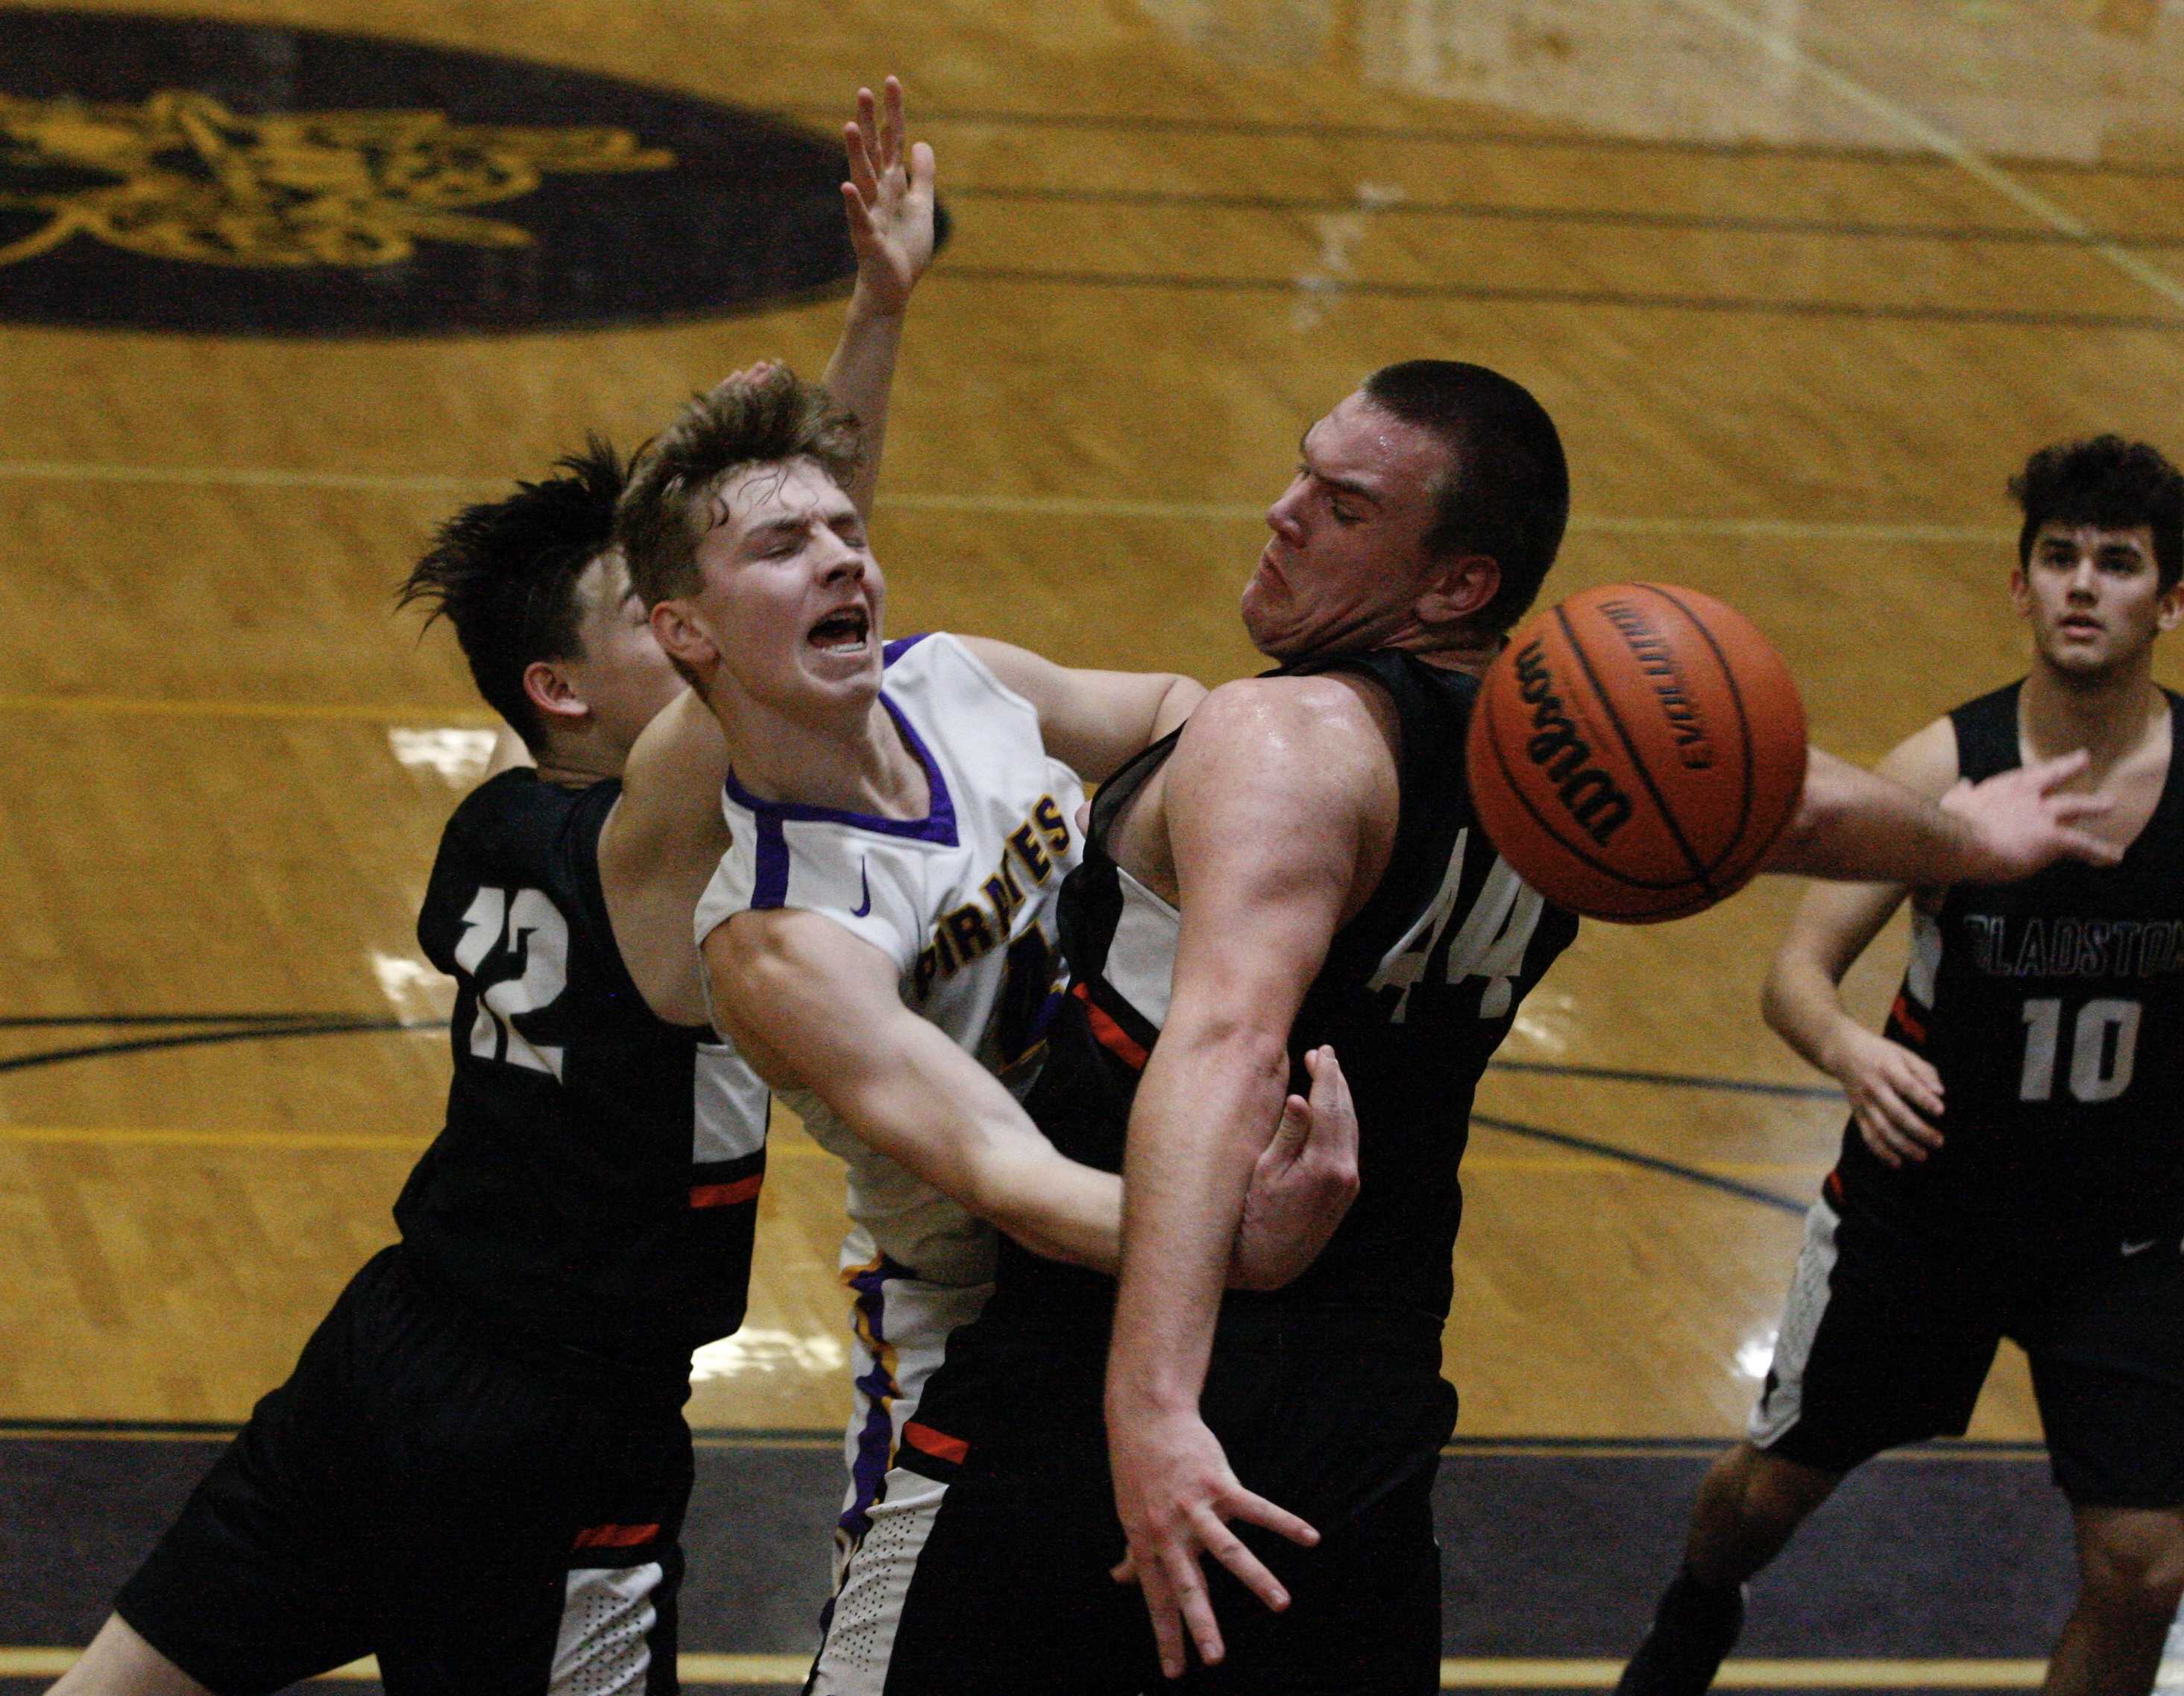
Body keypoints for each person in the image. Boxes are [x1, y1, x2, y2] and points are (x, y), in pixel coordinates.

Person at [799, 360, 2126, 1695]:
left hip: (1103, 1374)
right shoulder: (1568, 762)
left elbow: (1224, 1050)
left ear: (1455, 585)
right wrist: (1969, 837)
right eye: (1301, 470)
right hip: (1365, 1410)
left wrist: (1151, 1412)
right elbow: (1788, 804)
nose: (1281, 512)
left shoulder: (1292, 739)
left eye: (1342, 503)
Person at [49, 79, 939, 1696]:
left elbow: (782, 581)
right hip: (551, 1437)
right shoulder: (648, 841)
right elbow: (796, 577)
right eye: (643, 608)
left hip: (383, 1359)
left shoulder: (494, 827)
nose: (685, 620)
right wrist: (856, 341)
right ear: (563, 689)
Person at [613, 370, 1359, 1612]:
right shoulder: (782, 937)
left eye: (848, 533)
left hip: (1152, 1210)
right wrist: (1227, 1246)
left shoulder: (958, 678)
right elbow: (1008, 1178)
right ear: (686, 631)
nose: (842, 560)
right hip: (975, 1310)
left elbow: (1187, 718)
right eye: (784, 546)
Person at [1617, 436, 2184, 1696]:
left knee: (2144, 1566)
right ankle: (1694, 1609)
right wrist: (1852, 1050)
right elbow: (1793, 977)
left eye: (2118, 563)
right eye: (2057, 558)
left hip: (2124, 1234)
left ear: (2171, 599)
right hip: (1925, 1215)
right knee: (1766, 1498)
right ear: (2019, 586)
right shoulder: (1945, 766)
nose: (2082, 585)